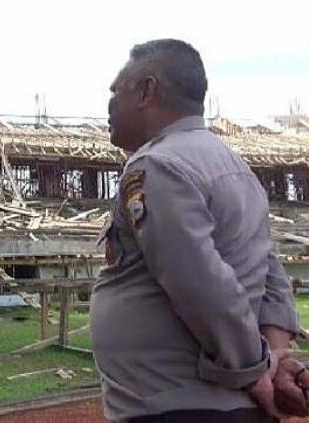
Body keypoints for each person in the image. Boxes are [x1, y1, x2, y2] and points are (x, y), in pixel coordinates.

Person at [91, 39, 307, 423]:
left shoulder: (157, 166)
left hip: (174, 405)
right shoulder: (235, 169)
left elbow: (200, 283)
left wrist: (257, 374)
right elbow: (270, 271)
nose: (109, 103)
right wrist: (277, 357)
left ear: (147, 90)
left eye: (116, 90)